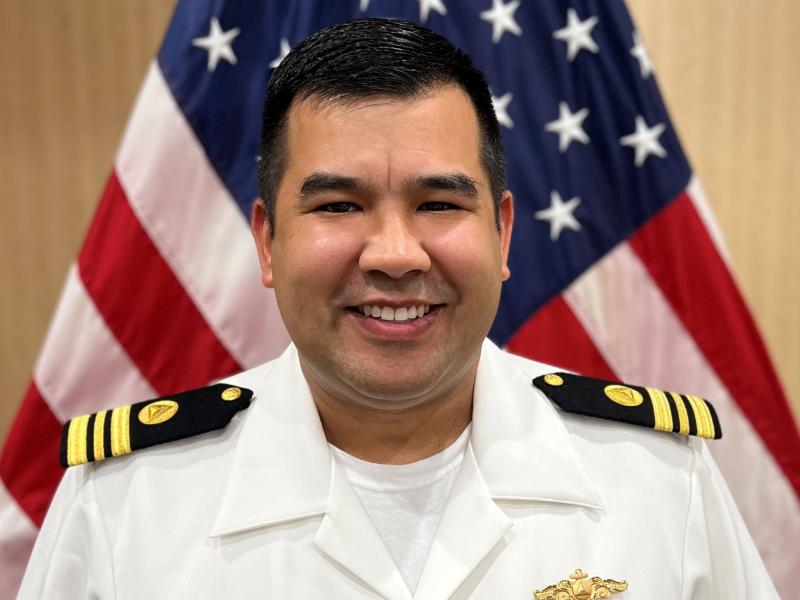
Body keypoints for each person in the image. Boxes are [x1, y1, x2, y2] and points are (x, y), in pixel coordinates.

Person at [18, 18, 777, 599]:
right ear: (268, 242)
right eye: (340, 205)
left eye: (439, 202)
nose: (394, 254)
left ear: (503, 231)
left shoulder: (659, 482)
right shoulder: (124, 506)